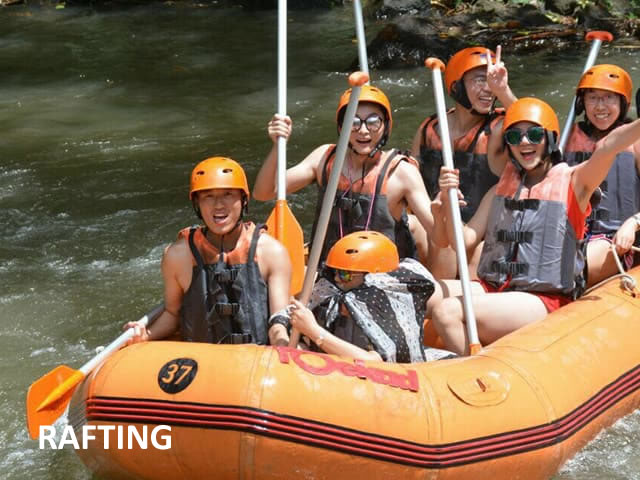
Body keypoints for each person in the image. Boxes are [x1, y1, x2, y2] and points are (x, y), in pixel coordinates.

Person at [430, 97, 640, 355]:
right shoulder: (499, 191)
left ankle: (481, 370)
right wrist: (446, 208)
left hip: (543, 300)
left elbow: (608, 146)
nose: (524, 142)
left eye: (534, 134)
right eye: (514, 136)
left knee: (447, 311)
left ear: (550, 139)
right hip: (495, 287)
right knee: (424, 295)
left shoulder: (575, 183)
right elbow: (462, 241)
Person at [254, 84, 437, 265]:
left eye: (373, 122)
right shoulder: (324, 159)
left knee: (415, 226)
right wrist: (278, 146)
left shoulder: (402, 172)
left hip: (384, 274)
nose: (363, 130)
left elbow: (440, 238)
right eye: (353, 122)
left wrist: (443, 209)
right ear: (341, 127)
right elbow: (264, 193)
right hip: (332, 270)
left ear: (386, 127)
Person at [125, 156, 291, 346]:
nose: (218, 205)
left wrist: (281, 340)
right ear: (197, 203)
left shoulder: (272, 252)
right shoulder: (178, 255)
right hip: (199, 359)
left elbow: (278, 320)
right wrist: (144, 335)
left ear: (243, 200)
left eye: (228, 194)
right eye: (208, 196)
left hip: (255, 357)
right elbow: (172, 314)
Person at [412, 46, 517, 279]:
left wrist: (503, 90)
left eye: (491, 81)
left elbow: (531, 126)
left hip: (473, 235)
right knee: (411, 223)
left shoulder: (496, 130)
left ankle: (441, 295)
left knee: (450, 241)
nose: (488, 88)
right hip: (436, 226)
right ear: (457, 86)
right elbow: (413, 180)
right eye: (480, 80)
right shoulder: (429, 129)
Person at [285, 231, 451, 363]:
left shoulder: (383, 307)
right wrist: (282, 336)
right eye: (334, 271)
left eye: (344, 274)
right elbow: (284, 317)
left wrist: (314, 331)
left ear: (371, 278)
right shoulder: (333, 292)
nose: (336, 279)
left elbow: (375, 362)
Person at [564, 64, 640, 286]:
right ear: (582, 103)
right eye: (593, 98)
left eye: (608, 98)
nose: (600, 106)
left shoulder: (635, 143)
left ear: (623, 103)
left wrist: (634, 223)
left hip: (618, 240)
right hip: (574, 234)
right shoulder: (568, 138)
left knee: (575, 261)